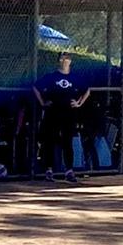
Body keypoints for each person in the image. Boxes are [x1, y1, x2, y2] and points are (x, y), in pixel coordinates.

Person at [33, 51, 90, 183]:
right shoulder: (51, 77)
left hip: (68, 113)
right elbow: (36, 87)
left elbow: (87, 90)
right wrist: (43, 102)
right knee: (50, 141)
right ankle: (49, 170)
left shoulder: (75, 78)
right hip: (53, 112)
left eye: (67, 58)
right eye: (62, 58)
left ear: (70, 61)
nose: (65, 61)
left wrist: (79, 103)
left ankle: (69, 171)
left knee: (67, 141)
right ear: (58, 61)